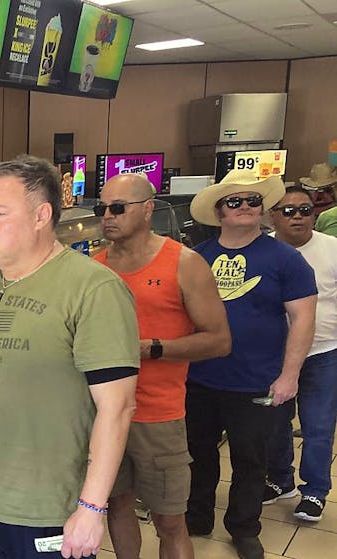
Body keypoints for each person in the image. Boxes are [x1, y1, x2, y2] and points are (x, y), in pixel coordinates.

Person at [0, 155, 139, 559]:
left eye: (0, 213)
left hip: (43, 509)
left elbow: (116, 408)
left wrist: (91, 508)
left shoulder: (93, 289)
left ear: (40, 216)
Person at [94, 174, 231, 559]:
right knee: (116, 505)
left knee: (169, 521)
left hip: (159, 416)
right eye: (101, 208)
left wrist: (149, 349)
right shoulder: (94, 267)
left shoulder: (185, 263)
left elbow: (219, 341)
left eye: (118, 207)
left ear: (147, 209)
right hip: (104, 413)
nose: (107, 216)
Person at [185, 170, 317, 559]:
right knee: (198, 453)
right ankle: (197, 516)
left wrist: (289, 375)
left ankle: (244, 528)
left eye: (253, 201)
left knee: (250, 460)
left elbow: (303, 319)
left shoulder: (285, 259)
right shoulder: (198, 258)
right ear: (219, 211)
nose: (245, 207)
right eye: (235, 201)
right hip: (199, 377)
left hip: (257, 381)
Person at [265, 187, 337, 522]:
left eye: (305, 210)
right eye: (289, 211)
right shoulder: (261, 250)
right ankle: (281, 481)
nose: (297, 217)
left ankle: (314, 491)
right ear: (273, 216)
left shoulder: (332, 249)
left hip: (324, 352)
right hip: (274, 355)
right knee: (275, 424)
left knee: (318, 426)